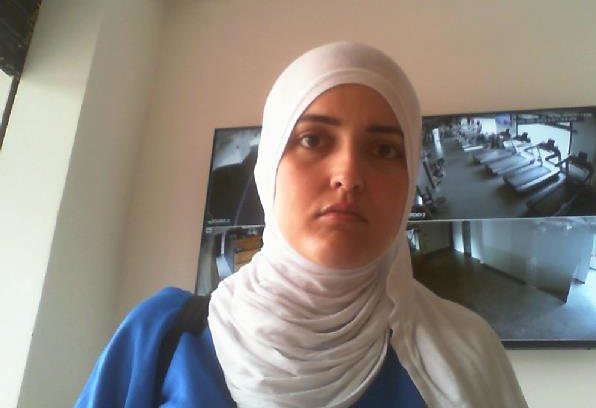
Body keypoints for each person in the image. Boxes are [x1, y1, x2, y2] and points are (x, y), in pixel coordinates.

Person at [77, 42, 527, 407]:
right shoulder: (160, 336)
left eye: (384, 150)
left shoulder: (466, 354)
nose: (348, 175)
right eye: (312, 139)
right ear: (268, 165)